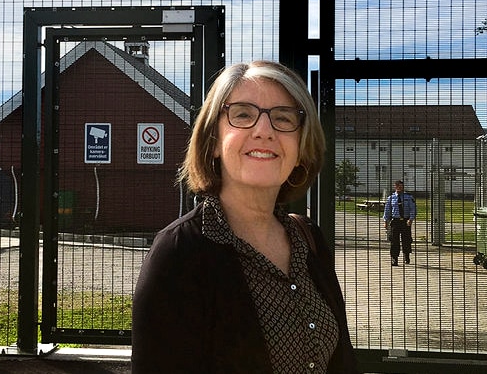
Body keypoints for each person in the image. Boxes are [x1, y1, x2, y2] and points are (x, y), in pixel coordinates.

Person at [131, 61, 358, 374]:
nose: (264, 131)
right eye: (242, 114)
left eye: (283, 118)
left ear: (300, 148)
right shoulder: (178, 253)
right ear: (213, 141)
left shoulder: (309, 239)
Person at [383, 180, 416, 266]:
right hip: (395, 221)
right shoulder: (391, 198)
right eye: (398, 186)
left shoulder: (408, 197)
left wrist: (411, 219)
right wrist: (386, 221)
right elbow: (387, 210)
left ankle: (406, 254)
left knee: (406, 240)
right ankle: (394, 258)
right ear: (395, 187)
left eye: (401, 186)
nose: (400, 188)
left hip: (405, 221)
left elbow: (413, 209)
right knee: (394, 241)